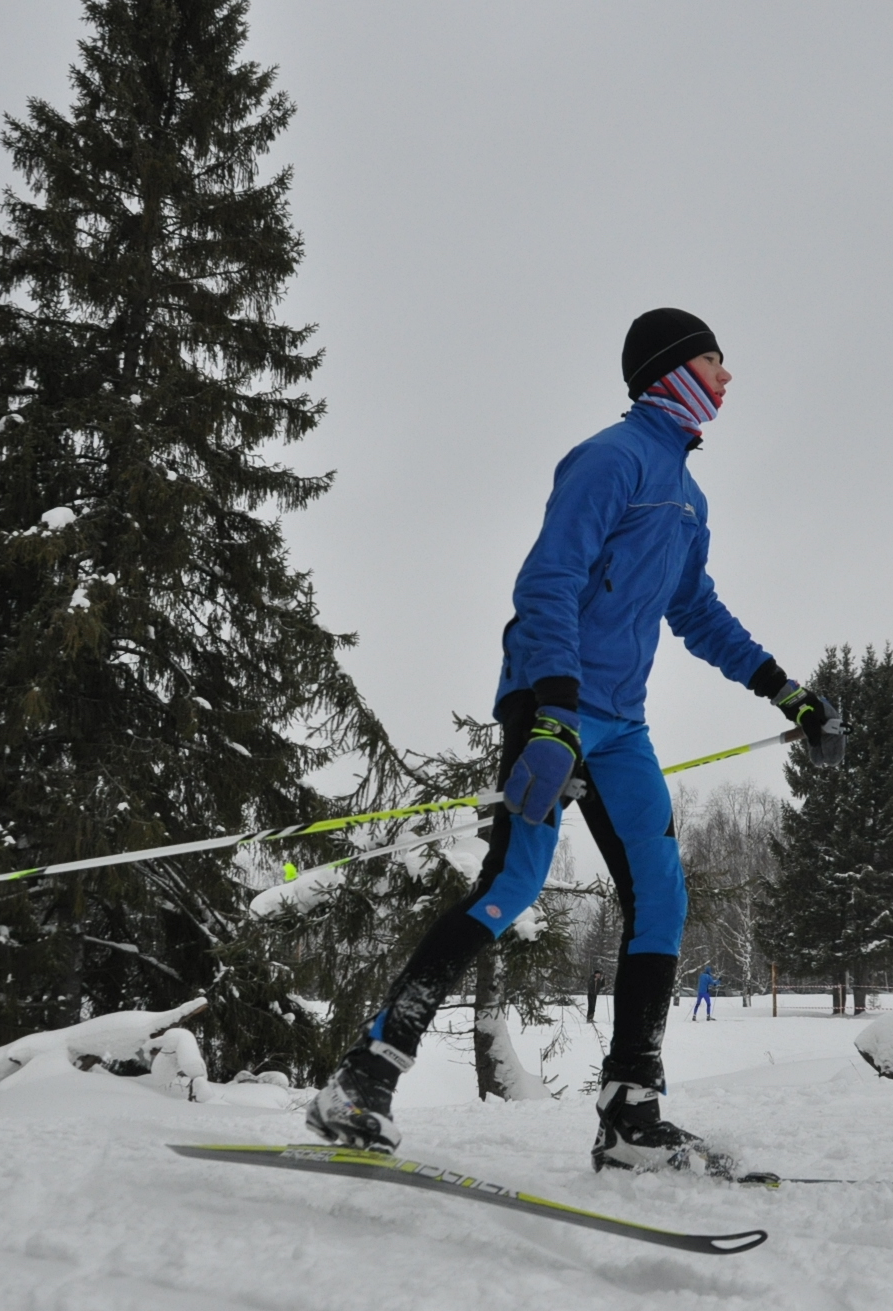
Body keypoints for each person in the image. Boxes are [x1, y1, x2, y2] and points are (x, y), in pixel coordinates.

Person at [307, 308, 839, 1173]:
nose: (728, 375)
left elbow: (695, 610)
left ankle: (631, 1113)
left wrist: (785, 690)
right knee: (513, 883)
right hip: (553, 703)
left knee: (661, 897)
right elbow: (547, 579)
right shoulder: (610, 458)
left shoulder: (689, 493)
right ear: (673, 369)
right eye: (715, 359)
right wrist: (552, 711)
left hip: (622, 723)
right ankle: (365, 1073)